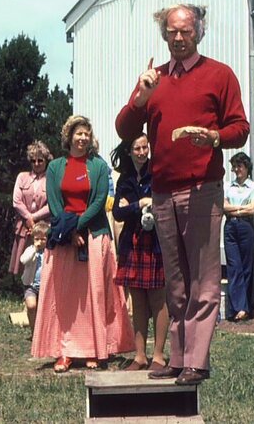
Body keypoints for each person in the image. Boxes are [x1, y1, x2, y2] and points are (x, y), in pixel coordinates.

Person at [115, 3, 249, 385]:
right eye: (172, 31)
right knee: (174, 280)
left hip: (202, 187)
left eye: (185, 30)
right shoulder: (153, 79)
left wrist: (215, 137)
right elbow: (124, 129)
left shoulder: (219, 74)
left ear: (198, 32)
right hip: (162, 192)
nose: (178, 37)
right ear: (164, 34)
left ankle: (196, 361)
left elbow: (240, 128)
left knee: (203, 279)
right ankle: (177, 357)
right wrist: (140, 97)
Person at [32, 115, 133, 372]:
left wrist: (79, 227)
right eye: (78, 133)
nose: (83, 138)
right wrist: (69, 232)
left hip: (94, 234)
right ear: (69, 136)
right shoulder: (55, 167)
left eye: (86, 134)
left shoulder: (98, 166)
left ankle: (94, 350)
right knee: (65, 298)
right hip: (65, 238)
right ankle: (65, 352)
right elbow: (54, 201)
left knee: (93, 295)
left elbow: (99, 200)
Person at [111, 134, 169, 370]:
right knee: (137, 300)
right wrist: (140, 203)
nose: (143, 152)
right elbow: (117, 213)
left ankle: (158, 356)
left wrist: (133, 206)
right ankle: (140, 356)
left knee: (158, 299)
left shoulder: (157, 173)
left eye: (145, 147)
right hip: (132, 242)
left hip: (155, 242)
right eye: (137, 148)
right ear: (129, 151)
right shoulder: (125, 178)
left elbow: (162, 204)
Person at [223, 152, 254, 321]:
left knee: (246, 267)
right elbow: (223, 207)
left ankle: (246, 308)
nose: (237, 169)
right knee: (234, 266)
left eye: (240, 166)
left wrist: (235, 209)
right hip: (230, 227)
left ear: (247, 168)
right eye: (235, 166)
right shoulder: (227, 186)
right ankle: (237, 308)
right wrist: (240, 209)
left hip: (246, 226)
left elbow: (252, 209)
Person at [7, 141, 52, 276]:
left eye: (40, 160)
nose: (37, 163)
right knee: (24, 263)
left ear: (46, 160)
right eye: (33, 161)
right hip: (24, 227)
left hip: (44, 227)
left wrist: (33, 218)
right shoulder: (22, 177)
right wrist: (28, 218)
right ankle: (24, 288)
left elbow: (52, 204)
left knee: (42, 265)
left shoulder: (51, 179)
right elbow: (16, 201)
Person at [19, 222, 48, 339]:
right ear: (33, 239)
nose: (40, 242)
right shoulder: (30, 250)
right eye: (37, 239)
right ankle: (34, 332)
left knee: (44, 310)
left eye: (43, 239)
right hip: (31, 285)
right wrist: (35, 249)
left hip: (45, 286)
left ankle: (44, 333)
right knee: (31, 306)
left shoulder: (50, 252)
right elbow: (23, 260)